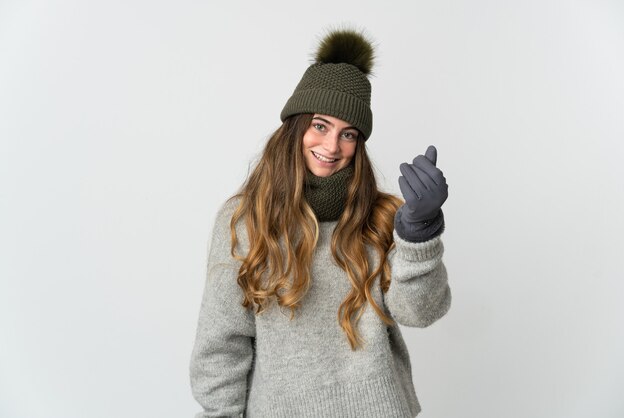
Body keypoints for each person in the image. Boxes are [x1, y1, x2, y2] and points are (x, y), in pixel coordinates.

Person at [189, 28, 451, 418]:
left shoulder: (381, 217)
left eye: (348, 134)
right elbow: (221, 344)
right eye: (320, 125)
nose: (331, 147)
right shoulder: (246, 220)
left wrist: (418, 234)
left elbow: (422, 312)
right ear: (295, 126)